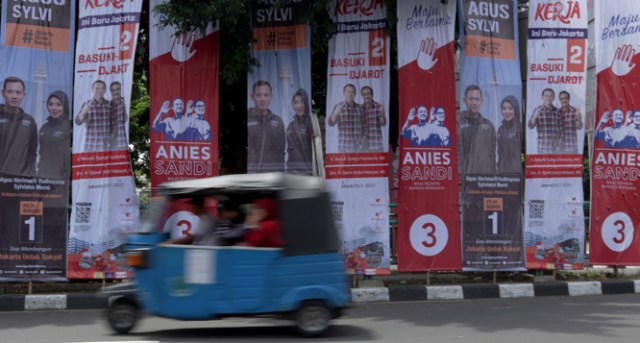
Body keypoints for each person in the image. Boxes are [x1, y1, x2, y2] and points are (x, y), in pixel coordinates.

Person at [0, 76, 37, 175]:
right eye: (10, 92)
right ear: (3, 93)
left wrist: (29, 176)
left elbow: (32, 154)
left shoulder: (30, 122)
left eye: (18, 93)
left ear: (23, 95)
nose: (14, 96)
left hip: (19, 182)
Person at [457, 85, 496, 174]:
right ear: (464, 100)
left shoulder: (489, 125)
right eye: (470, 99)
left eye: (477, 99)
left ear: (481, 101)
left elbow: (492, 155)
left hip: (483, 178)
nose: (474, 103)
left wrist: (493, 177)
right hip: (464, 177)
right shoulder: (458, 123)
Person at [247, 80, 286, 173]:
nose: (263, 99)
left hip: (273, 176)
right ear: (252, 97)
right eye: (259, 95)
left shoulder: (278, 121)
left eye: (266, 95)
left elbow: (281, 152)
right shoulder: (247, 119)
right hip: (251, 177)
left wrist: (281, 173)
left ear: (271, 97)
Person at [38, 91, 71, 178]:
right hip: (42, 178)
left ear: (65, 106)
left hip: (60, 179)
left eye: (58, 104)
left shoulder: (69, 126)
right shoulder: (44, 128)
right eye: (51, 104)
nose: (54, 108)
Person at [75, 80, 113, 152]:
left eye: (101, 88)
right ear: (92, 90)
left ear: (105, 90)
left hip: (107, 147)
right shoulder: (87, 104)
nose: (99, 90)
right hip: (91, 147)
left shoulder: (110, 105)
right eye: (97, 88)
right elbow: (77, 122)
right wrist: (84, 111)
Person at [328, 84, 364, 153]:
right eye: (348, 91)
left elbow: (365, 125)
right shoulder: (338, 106)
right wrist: (336, 113)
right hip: (343, 147)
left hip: (358, 147)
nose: (350, 94)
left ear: (355, 94)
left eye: (352, 92)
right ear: (344, 93)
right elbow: (330, 123)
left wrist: (362, 141)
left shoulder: (360, 108)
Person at [286, 89, 314, 175]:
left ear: (306, 103)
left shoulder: (312, 122)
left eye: (302, 102)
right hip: (292, 173)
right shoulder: (290, 126)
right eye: (295, 102)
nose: (299, 106)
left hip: (308, 172)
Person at [528, 88, 562, 154]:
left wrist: (560, 143)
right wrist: (535, 116)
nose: (548, 98)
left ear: (554, 97)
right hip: (543, 148)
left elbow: (561, 129)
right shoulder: (538, 110)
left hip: (556, 149)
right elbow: (530, 126)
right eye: (546, 96)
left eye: (550, 96)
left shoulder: (558, 111)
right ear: (542, 97)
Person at [497, 95, 522, 174]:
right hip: (503, 173)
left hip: (516, 173)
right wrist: (499, 167)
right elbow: (500, 152)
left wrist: (522, 165)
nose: (507, 111)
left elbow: (523, 152)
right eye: (504, 108)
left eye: (510, 108)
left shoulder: (520, 127)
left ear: (516, 109)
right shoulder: (500, 129)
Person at [361, 86, 387, 152]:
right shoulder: (359, 108)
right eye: (364, 94)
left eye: (368, 94)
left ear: (372, 95)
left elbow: (383, 123)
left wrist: (381, 112)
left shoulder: (378, 107)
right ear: (362, 96)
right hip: (364, 146)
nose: (366, 96)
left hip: (376, 145)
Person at [109, 82, 128, 150]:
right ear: (111, 92)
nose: (116, 92)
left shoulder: (125, 103)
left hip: (123, 141)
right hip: (111, 142)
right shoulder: (108, 105)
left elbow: (125, 118)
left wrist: (125, 105)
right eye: (113, 90)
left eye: (118, 89)